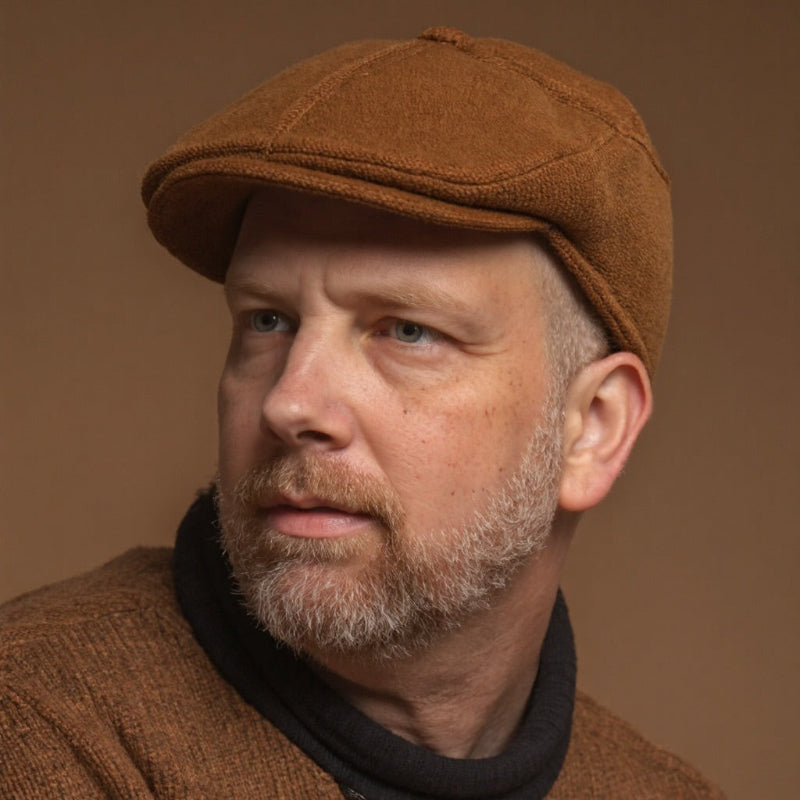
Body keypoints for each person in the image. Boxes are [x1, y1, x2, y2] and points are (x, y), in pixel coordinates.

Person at [1, 27, 724, 799]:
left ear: (593, 429)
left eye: (407, 331)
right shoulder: (38, 733)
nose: (290, 403)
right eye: (268, 319)